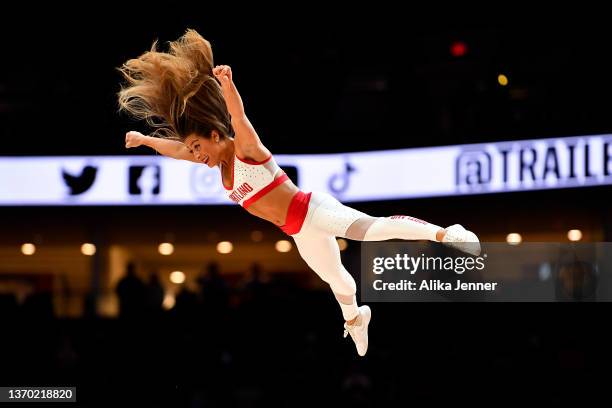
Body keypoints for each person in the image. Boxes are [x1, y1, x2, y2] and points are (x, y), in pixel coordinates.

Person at [118, 29, 480, 356]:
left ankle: (448, 234)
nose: (197, 156)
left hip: (313, 209)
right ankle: (356, 319)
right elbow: (179, 149)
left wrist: (227, 85)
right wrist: (146, 139)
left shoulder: (245, 150)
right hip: (298, 231)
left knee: (370, 230)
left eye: (199, 146)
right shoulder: (218, 165)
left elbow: (239, 119)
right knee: (337, 280)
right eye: (194, 151)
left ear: (215, 135)